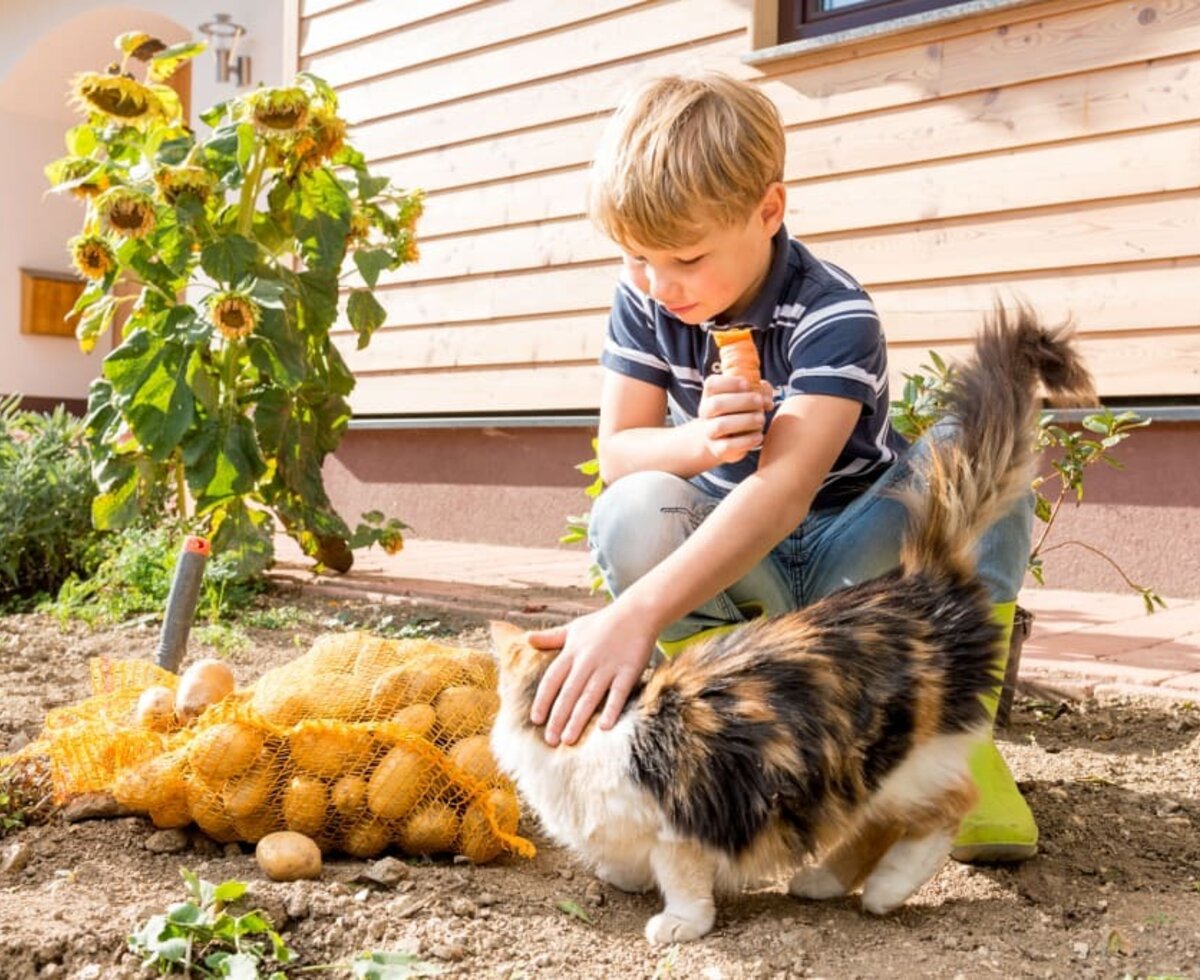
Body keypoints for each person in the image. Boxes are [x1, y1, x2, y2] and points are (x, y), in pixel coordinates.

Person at [527, 71, 1037, 863]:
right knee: (629, 510)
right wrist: (698, 444)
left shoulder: (833, 311)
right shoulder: (646, 301)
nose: (661, 286)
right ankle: (734, 723)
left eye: (686, 258)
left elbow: (785, 490)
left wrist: (633, 616)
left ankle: (955, 730)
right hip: (739, 568)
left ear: (768, 210)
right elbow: (620, 448)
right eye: (636, 259)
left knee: (983, 445)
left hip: (853, 557)